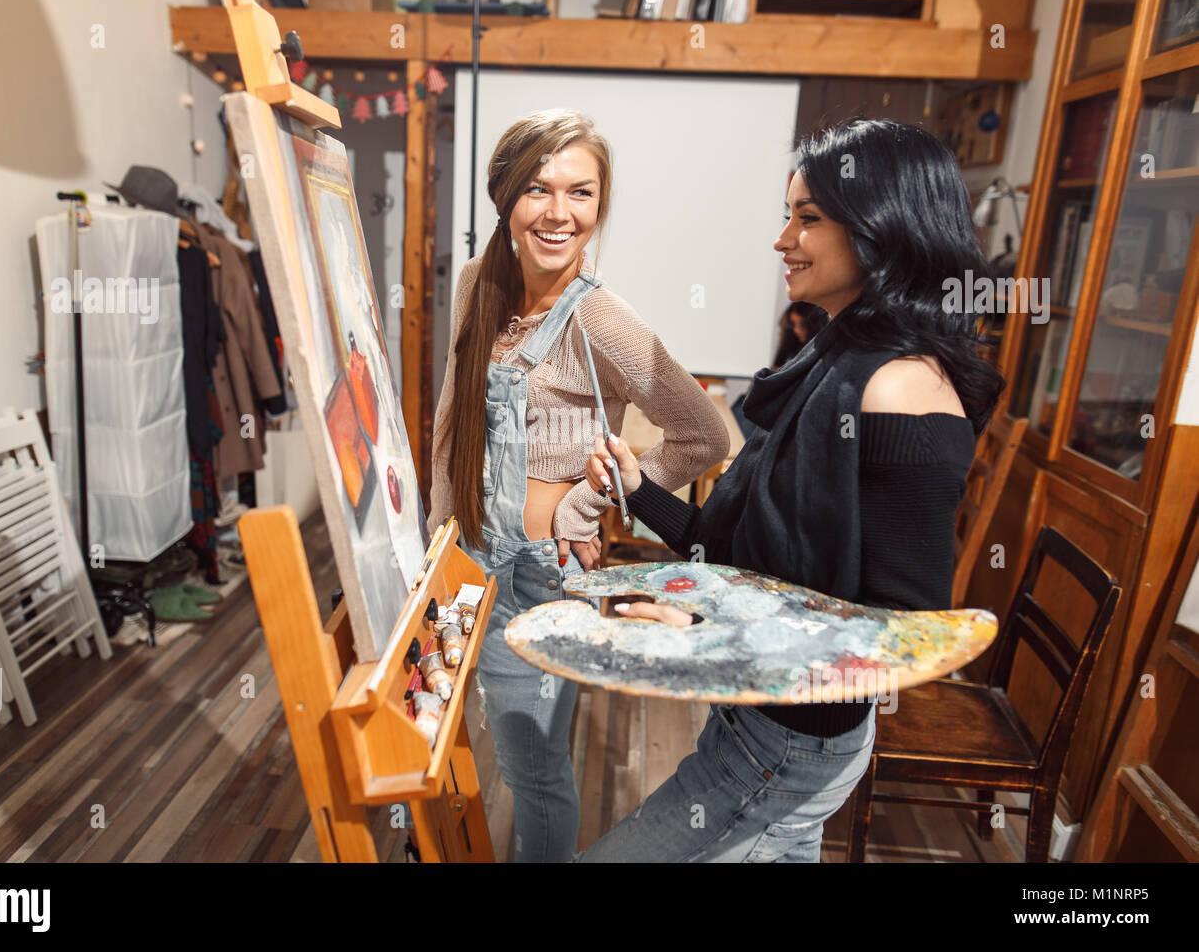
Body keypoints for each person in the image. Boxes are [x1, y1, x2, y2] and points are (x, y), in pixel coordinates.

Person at [579, 118, 1004, 862]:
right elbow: (732, 552)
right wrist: (639, 486)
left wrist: (719, 633)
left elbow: (898, 636)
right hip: (767, 728)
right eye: (787, 215)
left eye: (808, 219)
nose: (783, 240)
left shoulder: (901, 390)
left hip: (789, 746)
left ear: (881, 229)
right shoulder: (837, 359)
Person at [428, 109, 728, 862]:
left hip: (540, 581)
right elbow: (447, 426)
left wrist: (588, 505)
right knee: (446, 746)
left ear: (600, 204)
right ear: (504, 197)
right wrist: (431, 551)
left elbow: (705, 436)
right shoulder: (475, 285)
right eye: (537, 189)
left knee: (534, 775)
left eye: (581, 193)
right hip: (463, 561)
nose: (560, 213)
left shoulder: (600, 317)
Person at [771, 301, 830, 369]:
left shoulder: (824, 355)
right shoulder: (790, 340)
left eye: (802, 324)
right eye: (793, 324)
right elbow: (774, 369)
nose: (797, 330)